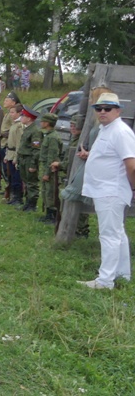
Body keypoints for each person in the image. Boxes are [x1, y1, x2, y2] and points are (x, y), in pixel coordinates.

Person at [78, 93, 135, 289]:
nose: (102, 112)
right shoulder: (106, 129)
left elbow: (131, 164)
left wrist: (133, 186)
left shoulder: (120, 131)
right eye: (98, 108)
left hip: (111, 190)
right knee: (117, 233)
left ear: (118, 110)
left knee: (109, 235)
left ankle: (105, 280)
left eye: (108, 108)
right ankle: (121, 274)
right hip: (105, 189)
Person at [37, 112, 63, 223]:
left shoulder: (52, 138)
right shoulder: (48, 135)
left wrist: (47, 173)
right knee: (46, 191)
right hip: (45, 166)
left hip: (50, 169)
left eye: (43, 121)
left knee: (50, 191)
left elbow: (51, 157)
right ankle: (48, 213)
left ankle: (53, 215)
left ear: (47, 123)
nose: (41, 123)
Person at [17, 105, 42, 212]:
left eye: (23, 115)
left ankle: (32, 203)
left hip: (29, 159)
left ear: (29, 118)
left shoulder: (35, 131)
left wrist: (33, 164)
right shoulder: (27, 129)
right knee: (26, 181)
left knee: (31, 182)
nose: (21, 117)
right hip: (23, 158)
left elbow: (36, 150)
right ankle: (27, 201)